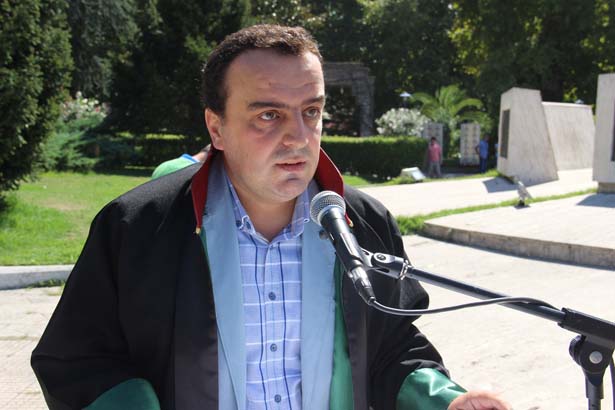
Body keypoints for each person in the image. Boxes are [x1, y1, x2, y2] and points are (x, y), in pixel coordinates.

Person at [31, 25, 510, 410]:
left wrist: (444, 400)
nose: (298, 137)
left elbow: (391, 347)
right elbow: (77, 361)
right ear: (216, 127)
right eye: (268, 115)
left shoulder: (362, 224)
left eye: (311, 111)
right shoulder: (138, 228)